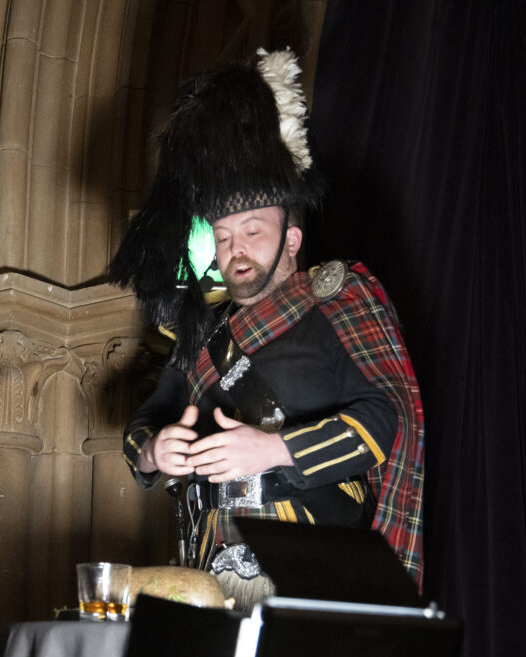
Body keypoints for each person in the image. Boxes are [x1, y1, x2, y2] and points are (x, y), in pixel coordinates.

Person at [109, 51, 424, 610]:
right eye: (224, 237)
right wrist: (155, 450)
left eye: (252, 231)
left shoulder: (338, 298)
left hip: (313, 555)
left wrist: (275, 450)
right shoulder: (200, 335)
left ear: (292, 240)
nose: (236, 251)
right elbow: (142, 426)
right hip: (204, 562)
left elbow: (385, 421)